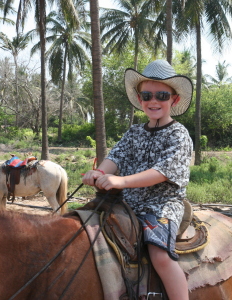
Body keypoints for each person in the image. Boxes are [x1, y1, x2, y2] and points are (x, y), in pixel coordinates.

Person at [82, 59, 193, 300]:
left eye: (162, 95)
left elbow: (162, 172)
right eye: (147, 95)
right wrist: (100, 173)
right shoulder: (134, 132)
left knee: (159, 255)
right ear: (140, 98)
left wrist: (120, 182)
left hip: (161, 205)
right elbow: (116, 157)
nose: (154, 101)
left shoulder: (179, 134)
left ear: (173, 100)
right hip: (127, 203)